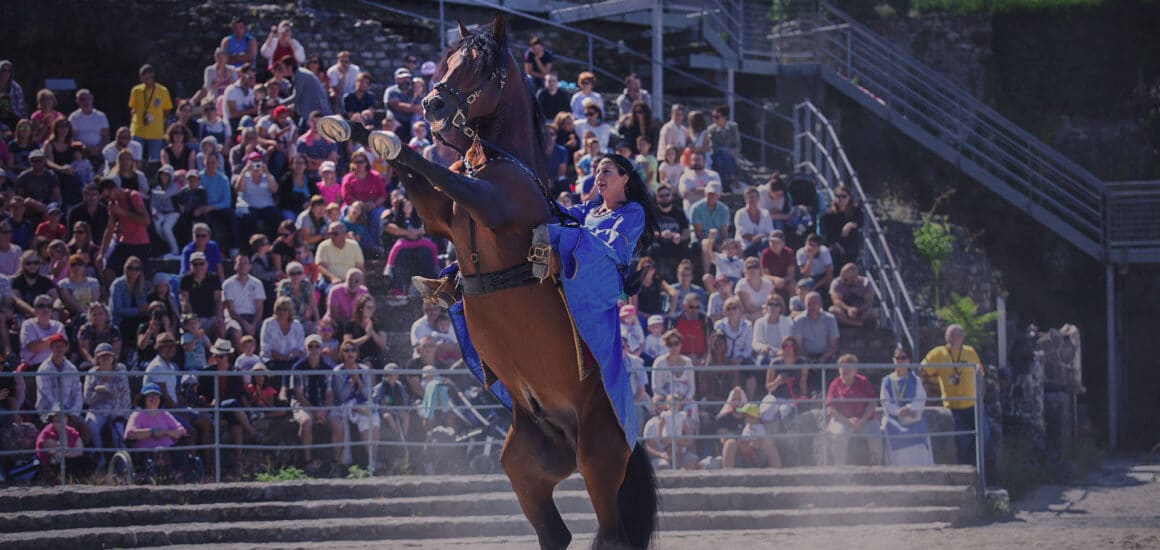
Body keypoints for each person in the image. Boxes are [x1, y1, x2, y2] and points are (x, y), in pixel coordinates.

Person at [922, 324, 987, 466]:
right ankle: (967, 467)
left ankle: (977, 469)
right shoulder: (938, 353)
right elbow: (922, 371)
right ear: (946, 337)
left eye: (957, 335)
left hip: (973, 404)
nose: (953, 338)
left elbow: (980, 374)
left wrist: (981, 397)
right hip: (953, 407)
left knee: (983, 436)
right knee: (962, 439)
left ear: (962, 337)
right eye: (950, 335)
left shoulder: (970, 352)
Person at [291, 333, 341, 472]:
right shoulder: (298, 368)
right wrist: (315, 411)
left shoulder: (327, 367)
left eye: (317, 346)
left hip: (323, 405)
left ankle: (336, 464)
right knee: (306, 422)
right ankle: (308, 464)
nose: (314, 349)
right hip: (303, 405)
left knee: (337, 423)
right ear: (305, 348)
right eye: (310, 346)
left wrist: (324, 410)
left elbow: (329, 393)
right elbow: (299, 395)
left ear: (321, 349)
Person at [824, 354, 881, 465]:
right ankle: (839, 470)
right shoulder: (834, 384)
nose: (844, 370)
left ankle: (877, 466)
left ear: (855, 370)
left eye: (848, 368)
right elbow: (830, 409)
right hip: (843, 421)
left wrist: (862, 420)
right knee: (839, 435)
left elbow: (872, 403)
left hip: (864, 420)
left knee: (876, 433)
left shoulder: (863, 381)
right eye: (842, 367)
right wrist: (848, 421)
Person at [881, 345, 933, 465]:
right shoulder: (887, 381)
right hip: (894, 417)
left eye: (903, 358)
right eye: (897, 358)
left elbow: (921, 398)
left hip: (912, 415)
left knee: (920, 429)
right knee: (890, 428)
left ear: (909, 360)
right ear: (893, 360)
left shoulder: (915, 380)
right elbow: (885, 401)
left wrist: (909, 408)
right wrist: (898, 411)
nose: (900, 361)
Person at [36, 332, 91, 443]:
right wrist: (61, 413)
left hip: (70, 411)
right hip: (48, 412)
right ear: (51, 348)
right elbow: (47, 395)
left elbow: (77, 394)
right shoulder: (43, 369)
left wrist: (72, 413)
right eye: (57, 346)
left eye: (62, 345)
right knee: (58, 427)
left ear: (66, 348)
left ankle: (85, 454)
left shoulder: (72, 368)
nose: (60, 348)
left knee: (84, 428)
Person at [83, 343, 130, 454]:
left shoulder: (121, 369)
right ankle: (100, 458)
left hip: (118, 410)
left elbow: (121, 390)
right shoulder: (91, 374)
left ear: (113, 358)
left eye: (108, 356)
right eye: (102, 356)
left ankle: (121, 463)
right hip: (99, 409)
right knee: (92, 426)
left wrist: (104, 387)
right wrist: (99, 391)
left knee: (117, 435)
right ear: (97, 359)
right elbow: (88, 399)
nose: (105, 359)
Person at [127, 65, 173, 162]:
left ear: (153, 77)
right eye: (144, 78)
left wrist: (157, 119)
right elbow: (133, 108)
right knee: (134, 158)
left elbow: (167, 110)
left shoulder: (163, 90)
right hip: (138, 130)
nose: (147, 80)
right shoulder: (136, 90)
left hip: (155, 131)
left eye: (149, 77)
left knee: (155, 160)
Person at [689, 181, 731, 276]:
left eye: (714, 194)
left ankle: (730, 276)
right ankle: (707, 275)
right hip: (701, 240)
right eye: (709, 193)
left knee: (732, 246)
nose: (711, 196)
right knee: (706, 244)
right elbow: (698, 233)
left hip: (718, 239)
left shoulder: (724, 209)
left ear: (719, 195)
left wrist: (723, 244)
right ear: (705, 193)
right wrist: (713, 244)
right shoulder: (696, 208)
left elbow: (724, 231)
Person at [222, 255, 267, 345]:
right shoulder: (228, 284)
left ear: (250, 266)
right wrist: (245, 324)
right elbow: (231, 310)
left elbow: (259, 308)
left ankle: (259, 357)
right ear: (235, 266)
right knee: (236, 331)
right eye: (240, 263)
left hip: (253, 318)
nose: (242, 265)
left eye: (245, 263)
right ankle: (242, 357)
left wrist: (253, 324)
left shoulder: (257, 283)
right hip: (234, 318)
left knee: (266, 329)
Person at [792, 291, 840, 368]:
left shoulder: (830, 319)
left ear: (820, 304)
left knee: (834, 362)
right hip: (805, 356)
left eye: (814, 303)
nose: (811, 307)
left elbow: (833, 346)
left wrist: (821, 360)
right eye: (809, 304)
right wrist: (809, 360)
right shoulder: (798, 320)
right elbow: (798, 346)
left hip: (826, 356)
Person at [820, 185, 863, 269]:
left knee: (851, 254)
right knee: (834, 253)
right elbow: (828, 234)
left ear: (849, 198)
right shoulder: (829, 215)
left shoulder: (856, 211)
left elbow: (860, 222)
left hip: (850, 243)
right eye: (838, 196)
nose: (841, 199)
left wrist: (850, 225)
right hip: (834, 243)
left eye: (844, 196)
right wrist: (838, 245)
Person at [829, 263, 878, 328]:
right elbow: (836, 300)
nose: (843, 281)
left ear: (854, 278)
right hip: (844, 311)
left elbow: (868, 301)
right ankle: (858, 324)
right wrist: (848, 309)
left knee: (873, 313)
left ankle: (852, 323)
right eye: (842, 277)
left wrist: (858, 310)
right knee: (832, 311)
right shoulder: (837, 282)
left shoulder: (866, 283)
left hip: (861, 311)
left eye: (845, 279)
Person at [68, 89, 110, 161]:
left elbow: (106, 138)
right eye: (82, 99)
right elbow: (71, 138)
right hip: (80, 152)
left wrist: (98, 148)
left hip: (99, 151)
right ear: (77, 101)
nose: (85, 102)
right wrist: (83, 148)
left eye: (87, 99)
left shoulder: (101, 116)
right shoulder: (73, 117)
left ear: (92, 98)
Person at [384, 67, 421, 143]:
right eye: (402, 78)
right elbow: (397, 106)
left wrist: (416, 95)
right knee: (400, 130)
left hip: (411, 121)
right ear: (396, 79)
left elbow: (421, 104)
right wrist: (415, 108)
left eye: (407, 78)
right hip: (396, 121)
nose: (405, 80)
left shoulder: (413, 90)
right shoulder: (391, 91)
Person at [735, 257, 775, 323]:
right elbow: (749, 308)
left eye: (755, 266)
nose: (752, 270)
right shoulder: (741, 285)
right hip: (748, 316)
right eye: (749, 267)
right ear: (745, 270)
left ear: (760, 269)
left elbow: (773, 302)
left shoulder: (768, 284)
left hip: (765, 314)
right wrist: (765, 312)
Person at [760, 229, 796, 299]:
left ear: (783, 243)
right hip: (771, 281)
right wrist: (775, 279)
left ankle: (792, 307)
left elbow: (791, 274)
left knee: (793, 284)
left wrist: (783, 280)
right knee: (766, 284)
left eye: (777, 242)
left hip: (785, 280)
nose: (774, 244)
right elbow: (764, 274)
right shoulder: (765, 254)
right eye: (772, 242)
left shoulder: (789, 252)